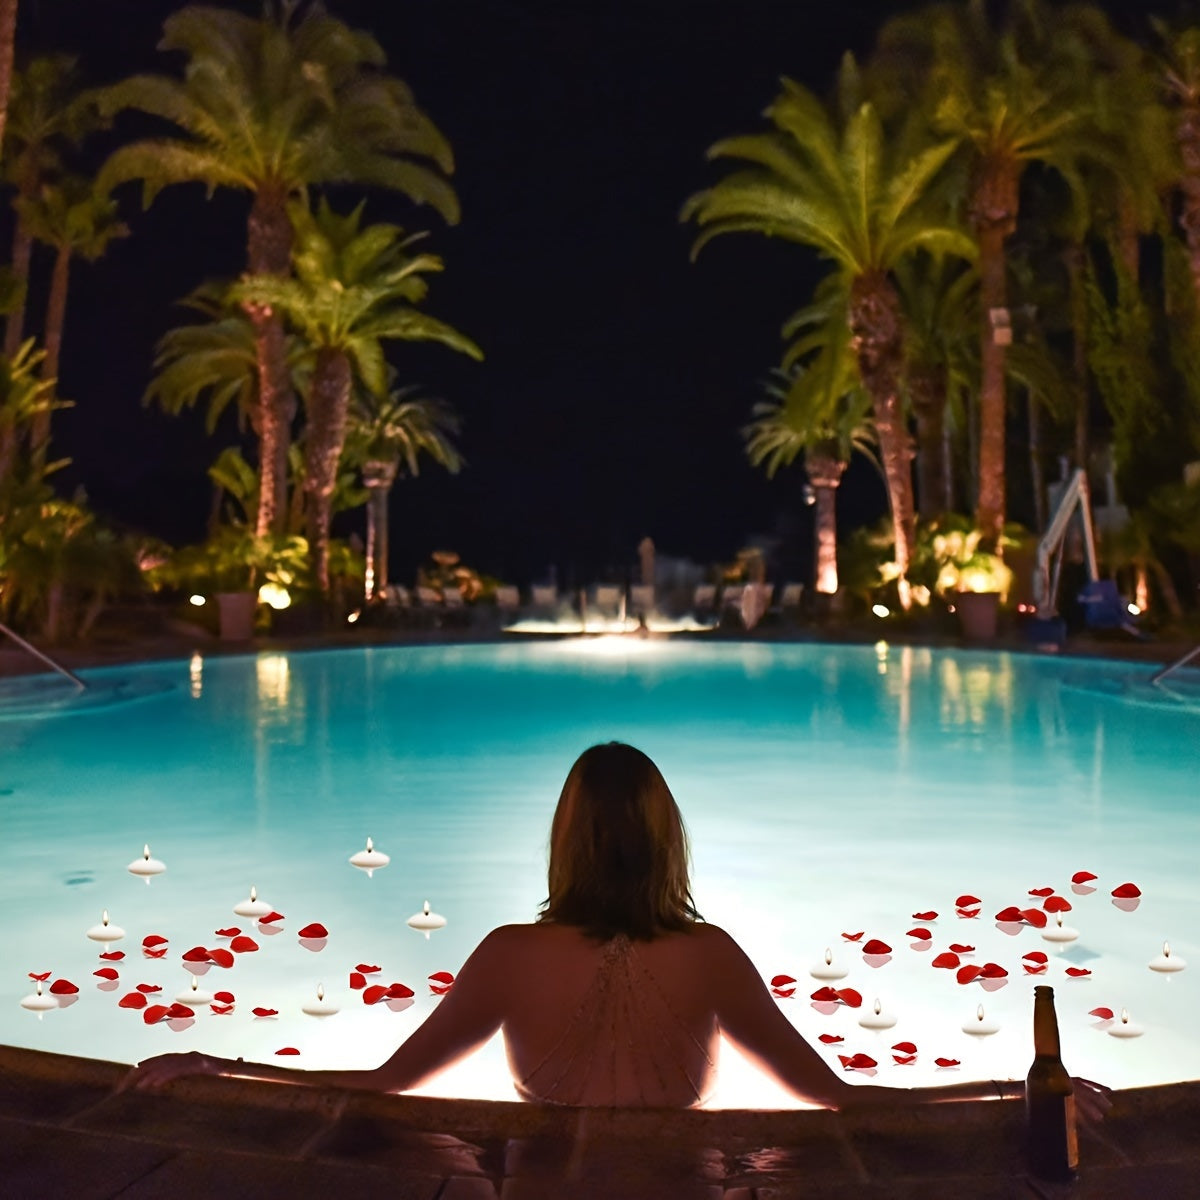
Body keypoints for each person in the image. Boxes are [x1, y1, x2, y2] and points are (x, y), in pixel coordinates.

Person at [122, 743, 1112, 1118]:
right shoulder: (711, 958)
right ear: (667, 839)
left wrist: (216, 1062)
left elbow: (381, 1084)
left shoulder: (511, 956)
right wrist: (1019, 1085)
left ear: (565, 841)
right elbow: (840, 1098)